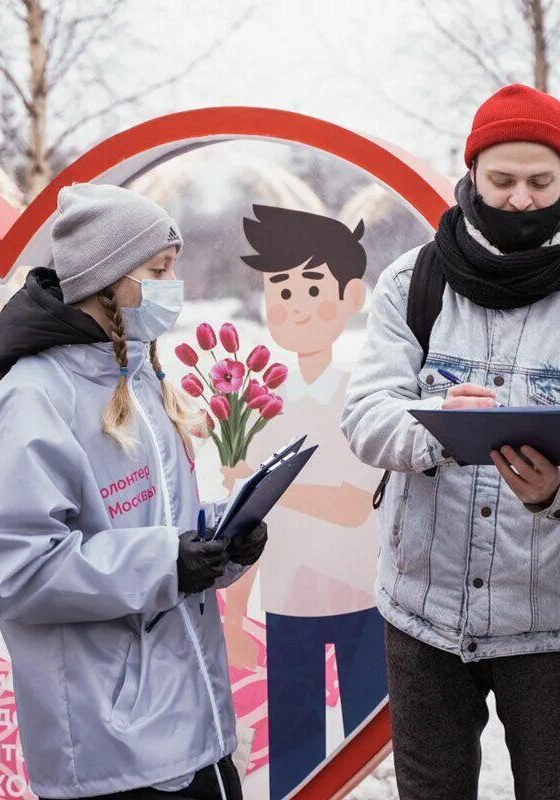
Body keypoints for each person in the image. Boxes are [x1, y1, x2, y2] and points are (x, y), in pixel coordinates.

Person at [341, 84, 560, 800]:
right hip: (421, 613)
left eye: (540, 181)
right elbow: (364, 414)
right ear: (473, 177)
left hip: (554, 625)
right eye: (503, 180)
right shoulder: (412, 282)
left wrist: (559, 493)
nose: (521, 198)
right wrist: (433, 426)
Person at [0, 183, 269, 800]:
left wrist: (222, 540)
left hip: (195, 729)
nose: (172, 285)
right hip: (111, 748)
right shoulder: (35, 398)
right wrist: (166, 562)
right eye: (158, 270)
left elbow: (159, 525)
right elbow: (17, 569)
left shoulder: (139, 379)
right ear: (104, 282)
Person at [219, 205, 387, 798]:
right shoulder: (257, 408)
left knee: (373, 745)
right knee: (295, 752)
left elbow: (353, 505)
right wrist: (235, 611)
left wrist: (268, 486)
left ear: (352, 296)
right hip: (288, 607)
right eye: (279, 288)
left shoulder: (363, 399)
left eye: (311, 286)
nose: (293, 303)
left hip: (363, 603)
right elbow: (251, 528)